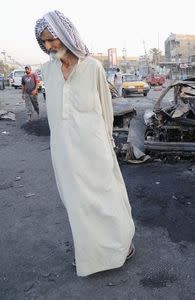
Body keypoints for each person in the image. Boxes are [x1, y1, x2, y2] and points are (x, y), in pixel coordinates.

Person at [34, 10, 135, 277]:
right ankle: (91, 256)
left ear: (66, 34)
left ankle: (121, 247)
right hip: (64, 151)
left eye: (52, 39)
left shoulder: (93, 67)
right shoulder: (47, 69)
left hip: (94, 146)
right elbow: (55, 112)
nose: (49, 46)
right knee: (78, 205)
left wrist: (108, 143)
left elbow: (105, 109)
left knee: (105, 198)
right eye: (44, 41)